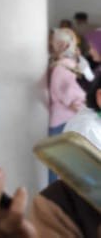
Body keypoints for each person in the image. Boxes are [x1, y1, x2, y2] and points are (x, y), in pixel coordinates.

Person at [48, 28, 86, 182]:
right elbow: (73, 99)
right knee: (61, 167)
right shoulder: (64, 67)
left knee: (58, 166)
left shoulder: (61, 66)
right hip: (65, 122)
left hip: (62, 121)